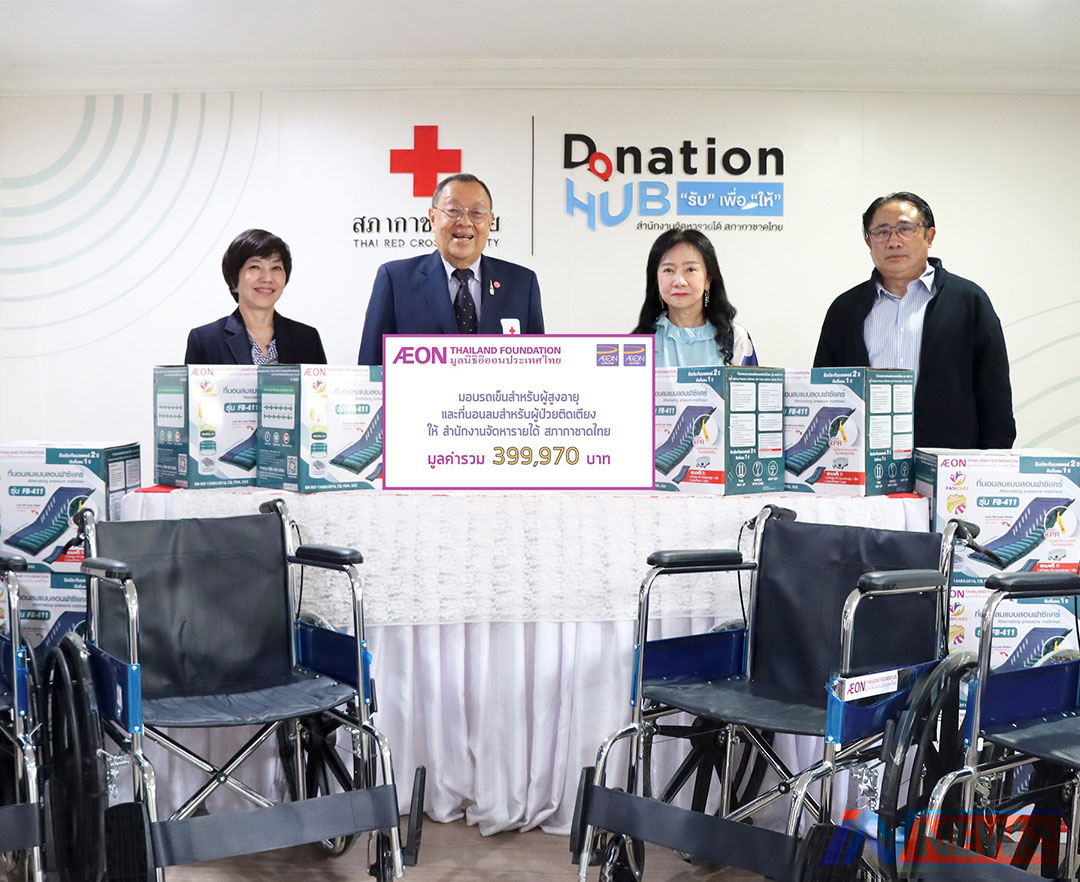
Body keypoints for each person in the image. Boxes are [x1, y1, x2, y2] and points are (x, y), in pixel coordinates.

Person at [814, 192, 1015, 449]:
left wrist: (993, 459)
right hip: (863, 461)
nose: (893, 241)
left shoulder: (968, 301)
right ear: (868, 242)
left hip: (949, 464)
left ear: (929, 237)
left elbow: (995, 393)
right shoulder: (845, 310)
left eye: (905, 229)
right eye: (881, 232)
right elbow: (824, 392)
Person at [357, 173, 544, 365]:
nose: (465, 221)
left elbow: (538, 367)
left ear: (490, 222)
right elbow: (370, 369)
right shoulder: (395, 280)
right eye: (453, 210)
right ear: (433, 218)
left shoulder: (522, 283)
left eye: (477, 212)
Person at [185, 229, 326, 365]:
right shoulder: (206, 340)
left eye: (276, 268)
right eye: (255, 267)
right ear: (234, 278)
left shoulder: (307, 338)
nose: (267, 278)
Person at [632, 228, 757, 367]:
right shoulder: (637, 344)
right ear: (656, 280)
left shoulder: (735, 339)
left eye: (690, 269)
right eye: (668, 270)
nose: (679, 282)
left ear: (708, 280)